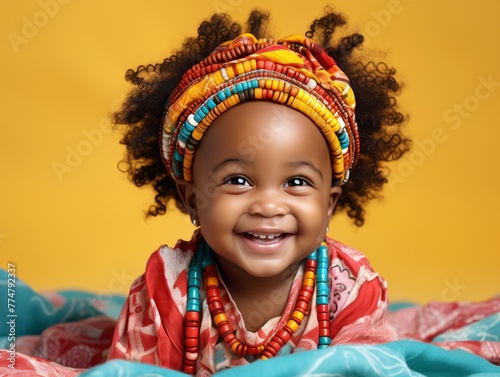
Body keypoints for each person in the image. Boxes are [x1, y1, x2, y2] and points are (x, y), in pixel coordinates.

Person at [107, 9, 411, 375]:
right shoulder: (167, 289)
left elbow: (367, 369)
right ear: (193, 199)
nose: (268, 205)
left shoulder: (351, 288)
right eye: (238, 180)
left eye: (296, 183)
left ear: (329, 203)